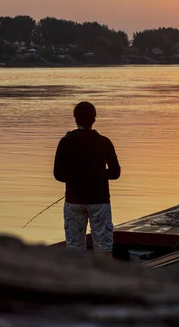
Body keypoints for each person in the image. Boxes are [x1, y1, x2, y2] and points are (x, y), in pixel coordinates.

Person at [53, 101, 121, 257]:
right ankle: (105, 280)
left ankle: (78, 280)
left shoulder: (65, 142)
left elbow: (58, 174)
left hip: (73, 202)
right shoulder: (104, 142)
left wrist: (76, 177)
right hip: (100, 202)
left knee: (75, 250)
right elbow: (115, 173)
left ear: (75, 119)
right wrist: (98, 174)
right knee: (103, 249)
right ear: (94, 119)